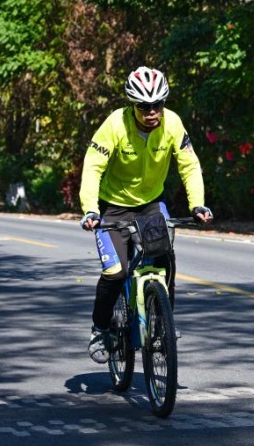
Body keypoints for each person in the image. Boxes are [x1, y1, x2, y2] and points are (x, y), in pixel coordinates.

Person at [79, 66, 213, 363]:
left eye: (158, 105)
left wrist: (198, 205)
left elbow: (189, 165)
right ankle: (100, 329)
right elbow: (93, 167)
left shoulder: (173, 124)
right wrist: (90, 208)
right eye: (144, 106)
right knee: (116, 272)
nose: (152, 111)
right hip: (112, 206)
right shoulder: (115, 124)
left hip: (151, 203)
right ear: (132, 104)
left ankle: (164, 322)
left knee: (165, 257)